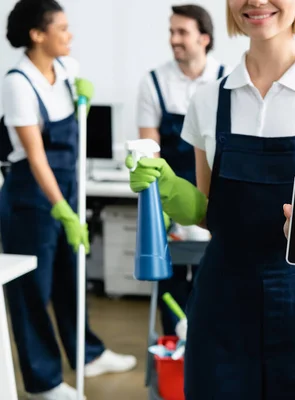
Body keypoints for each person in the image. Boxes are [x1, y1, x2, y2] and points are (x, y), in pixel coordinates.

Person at [126, 0, 295, 398]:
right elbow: (212, 213)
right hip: (223, 302)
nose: (256, 1)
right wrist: (171, 191)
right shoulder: (208, 100)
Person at [0, 1, 136, 398]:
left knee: (70, 280)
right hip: (31, 199)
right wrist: (62, 208)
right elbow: (37, 156)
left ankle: (88, 355)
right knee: (32, 292)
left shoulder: (68, 71)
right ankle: (43, 383)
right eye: (61, 27)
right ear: (37, 35)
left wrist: (84, 100)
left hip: (69, 191)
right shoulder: (18, 83)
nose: (70, 34)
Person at [136, 3, 230, 337]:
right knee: (170, 283)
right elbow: (149, 151)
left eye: (182, 32)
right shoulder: (154, 82)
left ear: (204, 38)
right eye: (171, 31)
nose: (174, 39)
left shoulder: (227, 81)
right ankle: (173, 358)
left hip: (215, 199)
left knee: (215, 280)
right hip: (170, 199)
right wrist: (158, 205)